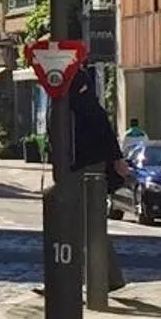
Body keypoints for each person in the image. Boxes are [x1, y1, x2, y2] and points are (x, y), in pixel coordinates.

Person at [68, 70, 128, 296]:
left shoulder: (82, 107)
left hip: (85, 169)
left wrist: (116, 159)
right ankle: (107, 277)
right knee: (89, 226)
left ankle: (78, 280)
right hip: (85, 168)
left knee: (83, 226)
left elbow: (106, 136)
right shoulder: (87, 105)